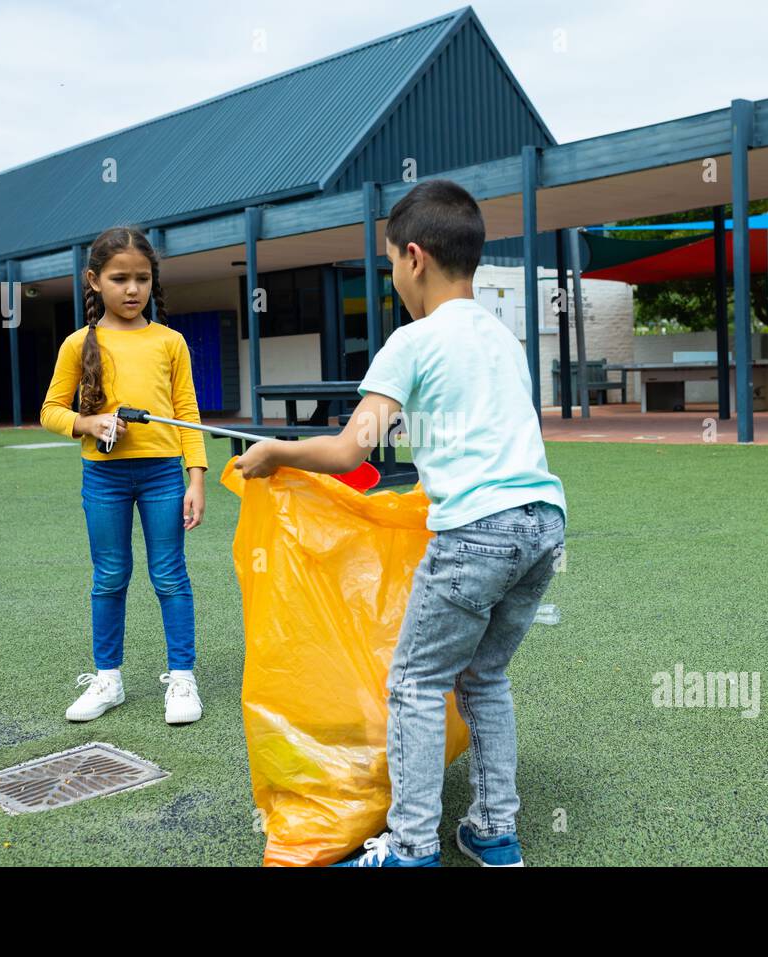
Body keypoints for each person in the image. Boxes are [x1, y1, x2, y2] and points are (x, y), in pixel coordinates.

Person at [235, 179, 567, 867]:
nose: (392, 274)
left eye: (390, 260)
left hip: (478, 532)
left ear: (413, 256)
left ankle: (413, 847)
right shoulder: (503, 340)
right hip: (544, 525)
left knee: (415, 685)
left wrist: (274, 452)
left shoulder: (411, 342)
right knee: (483, 679)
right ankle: (493, 832)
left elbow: (352, 448)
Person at [40, 226, 207, 725]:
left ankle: (183, 678)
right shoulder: (76, 344)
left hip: (163, 476)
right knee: (110, 577)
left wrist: (195, 478)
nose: (132, 289)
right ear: (94, 281)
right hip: (104, 478)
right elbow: (50, 410)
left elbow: (188, 412)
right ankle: (107, 679)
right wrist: (86, 422)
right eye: (119, 279)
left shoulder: (170, 342)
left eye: (142, 279)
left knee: (170, 576)